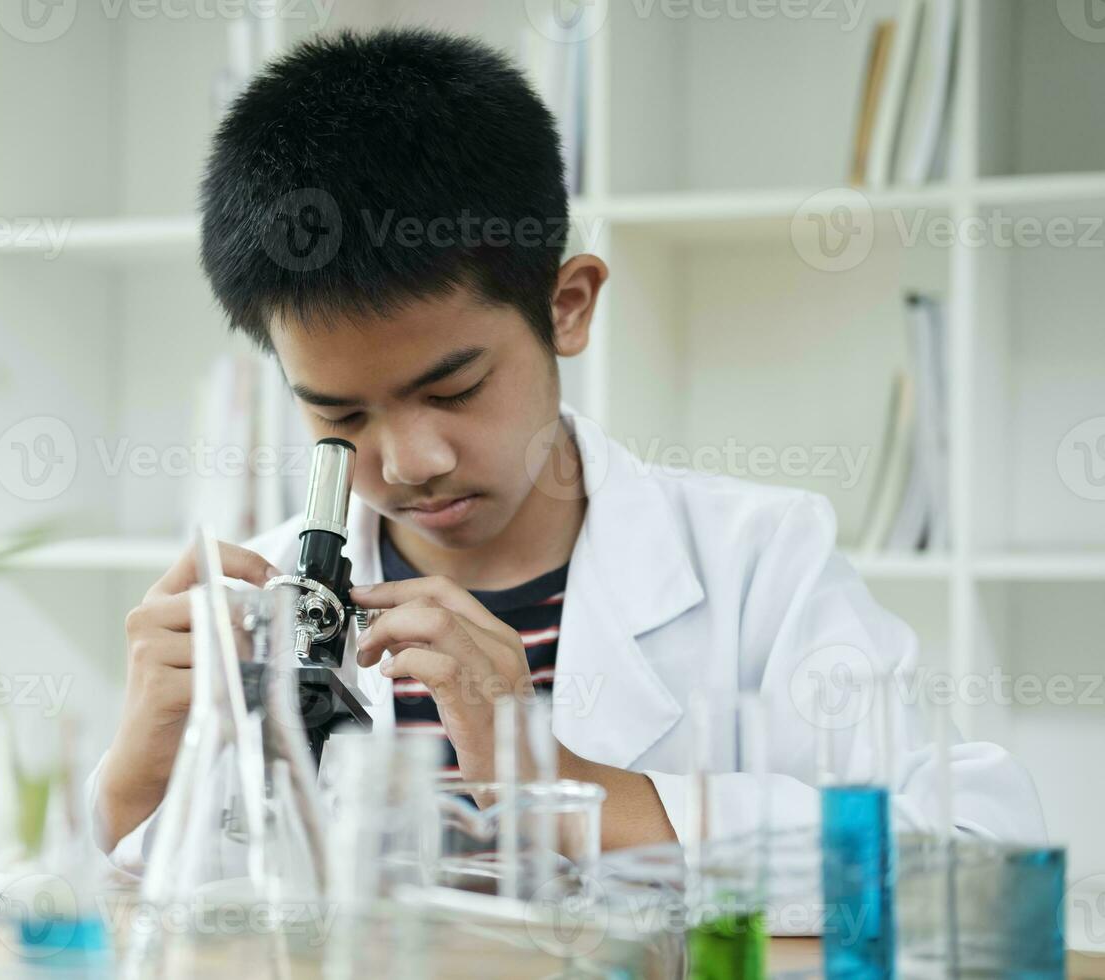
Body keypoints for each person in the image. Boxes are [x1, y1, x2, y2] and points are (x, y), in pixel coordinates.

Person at [87, 27, 1044, 873]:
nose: (411, 460)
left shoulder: (759, 562)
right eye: (340, 418)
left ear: (567, 305)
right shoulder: (265, 606)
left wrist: (548, 779)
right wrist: (139, 774)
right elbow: (194, 912)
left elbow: (971, 853)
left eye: (454, 388)